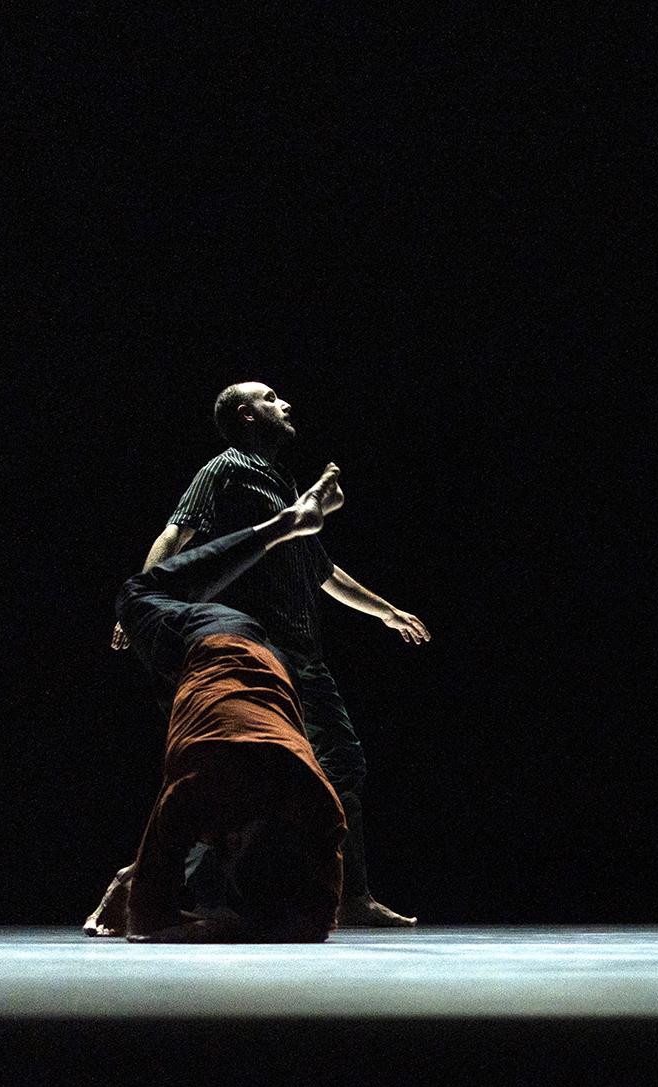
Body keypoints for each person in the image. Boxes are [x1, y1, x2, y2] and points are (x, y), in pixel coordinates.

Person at [98, 381, 428, 931]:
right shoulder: (224, 468)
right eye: (271, 398)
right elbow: (175, 535)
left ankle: (345, 893)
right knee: (243, 767)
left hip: (303, 651)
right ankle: (174, 889)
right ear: (245, 416)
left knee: (330, 763)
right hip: (258, 645)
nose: (286, 403)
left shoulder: (285, 485)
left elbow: (322, 572)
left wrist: (387, 612)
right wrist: (138, 608)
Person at [113, 464, 352, 942]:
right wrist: (217, 925)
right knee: (137, 592)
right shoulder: (200, 785)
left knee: (181, 679)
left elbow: (318, 923)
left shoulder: (321, 809)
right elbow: (145, 923)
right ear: (241, 842)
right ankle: (284, 524)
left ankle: (289, 524)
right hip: (218, 644)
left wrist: (242, 923)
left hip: (278, 674)